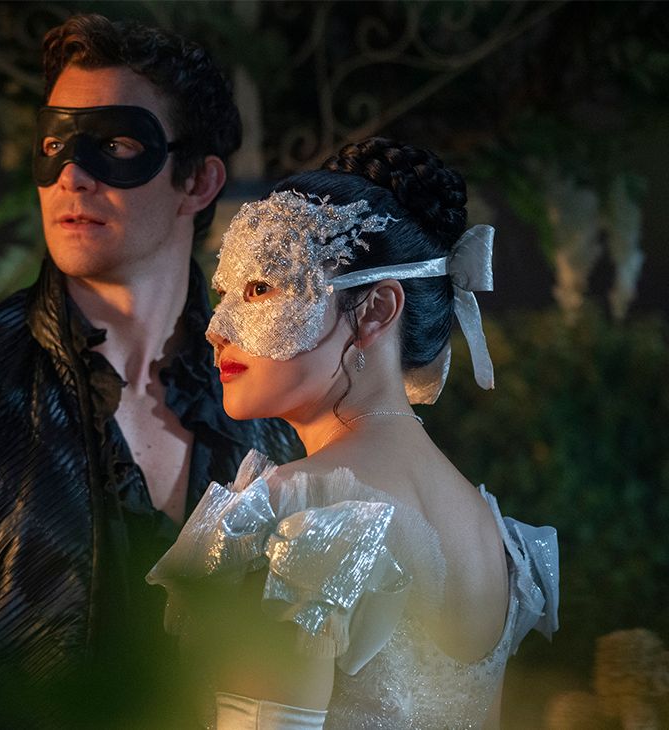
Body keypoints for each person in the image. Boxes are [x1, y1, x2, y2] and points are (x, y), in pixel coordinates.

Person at [0, 13, 301, 730]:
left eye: (117, 145)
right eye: (54, 146)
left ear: (198, 181)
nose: (72, 174)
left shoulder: (284, 413)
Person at [147, 138, 560, 730]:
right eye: (224, 295)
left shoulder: (297, 513)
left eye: (260, 289)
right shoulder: (489, 532)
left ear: (374, 310)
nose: (217, 329)